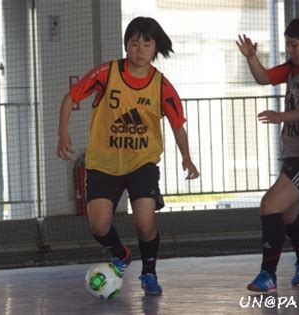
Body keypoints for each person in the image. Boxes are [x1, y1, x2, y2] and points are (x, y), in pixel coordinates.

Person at [56, 16, 199, 296]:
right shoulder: (106, 73)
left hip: (141, 163)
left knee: (145, 222)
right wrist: (63, 133)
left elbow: (177, 124)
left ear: (155, 48)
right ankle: (121, 254)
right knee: (99, 226)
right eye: (134, 43)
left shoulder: (160, 85)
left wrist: (187, 157)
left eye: (146, 43)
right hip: (103, 164)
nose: (140, 49)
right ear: (126, 46)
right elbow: (70, 98)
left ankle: (149, 273)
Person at [236, 17, 299, 292]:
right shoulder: (296, 67)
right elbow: (263, 77)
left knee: (269, 205)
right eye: (287, 45)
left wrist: (281, 116)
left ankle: (268, 275)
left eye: (294, 45)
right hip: (295, 153)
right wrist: (252, 57)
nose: (290, 51)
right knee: (286, 215)